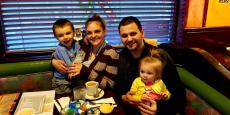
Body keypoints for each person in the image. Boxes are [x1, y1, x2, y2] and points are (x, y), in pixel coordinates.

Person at [114, 16, 186, 115]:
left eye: (133, 33)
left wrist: (158, 109)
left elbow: (179, 95)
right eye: (124, 36)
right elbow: (118, 89)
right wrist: (125, 98)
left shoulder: (160, 57)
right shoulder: (120, 57)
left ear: (142, 32)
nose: (129, 39)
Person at [52, 14, 119, 90]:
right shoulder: (84, 44)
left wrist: (85, 70)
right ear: (86, 34)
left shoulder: (112, 54)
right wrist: (53, 61)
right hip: (78, 91)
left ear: (104, 31)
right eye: (89, 33)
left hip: (98, 96)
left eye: (97, 31)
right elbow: (63, 49)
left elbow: (110, 85)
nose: (93, 36)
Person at [51, 19, 81, 94]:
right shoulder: (60, 48)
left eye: (68, 33)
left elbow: (79, 55)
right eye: (61, 35)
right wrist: (73, 71)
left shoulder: (76, 44)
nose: (65, 37)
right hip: (61, 81)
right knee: (66, 98)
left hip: (72, 77)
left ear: (74, 33)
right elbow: (68, 65)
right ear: (56, 37)